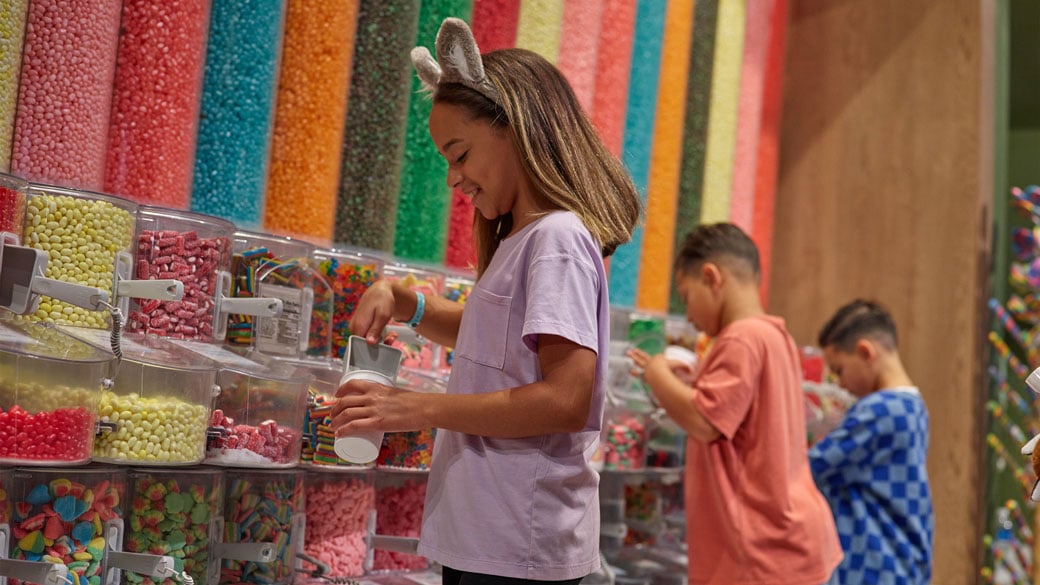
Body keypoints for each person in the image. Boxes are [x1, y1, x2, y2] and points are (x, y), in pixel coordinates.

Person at [330, 17, 641, 585]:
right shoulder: (524, 238)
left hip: (519, 543)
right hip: (490, 538)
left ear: (513, 129)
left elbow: (565, 398)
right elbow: (496, 341)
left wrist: (414, 408)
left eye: (460, 154)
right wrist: (408, 303)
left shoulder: (557, 240)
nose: (453, 178)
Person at [627, 222, 842, 585]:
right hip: (789, 539)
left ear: (712, 277)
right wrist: (694, 381)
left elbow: (704, 420)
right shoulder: (774, 335)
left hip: (762, 551)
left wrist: (657, 372)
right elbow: (740, 413)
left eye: (687, 296)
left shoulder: (740, 338)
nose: (689, 317)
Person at [808, 299, 934, 584]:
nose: (839, 384)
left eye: (839, 370)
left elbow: (812, 468)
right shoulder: (912, 406)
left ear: (866, 352)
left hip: (875, 569)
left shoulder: (881, 411)